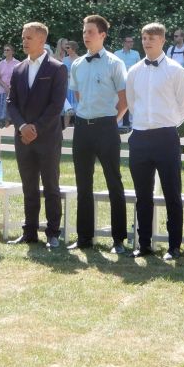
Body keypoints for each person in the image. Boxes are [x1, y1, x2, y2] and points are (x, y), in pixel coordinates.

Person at [126, 22, 184, 260]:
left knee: (171, 193)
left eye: (152, 38)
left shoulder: (176, 70)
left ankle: (174, 246)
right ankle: (144, 244)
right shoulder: (134, 71)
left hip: (166, 136)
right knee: (142, 194)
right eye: (144, 38)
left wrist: (167, 123)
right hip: (140, 136)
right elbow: (132, 103)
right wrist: (143, 123)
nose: (147, 42)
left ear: (163, 41)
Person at [68, 15, 128, 253]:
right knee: (83, 184)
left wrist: (110, 121)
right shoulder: (77, 64)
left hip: (106, 126)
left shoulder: (115, 63)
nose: (86, 35)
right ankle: (84, 238)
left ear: (102, 35)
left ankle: (118, 240)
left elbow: (124, 100)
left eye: (90, 31)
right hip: (83, 127)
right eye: (84, 31)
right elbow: (78, 96)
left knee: (114, 182)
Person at [6, 22, 68, 248]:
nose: (24, 41)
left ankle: (53, 233)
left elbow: (56, 105)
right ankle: (29, 231)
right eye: (23, 37)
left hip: (48, 137)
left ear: (42, 40)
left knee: (51, 185)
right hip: (23, 137)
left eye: (29, 37)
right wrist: (22, 127)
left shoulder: (57, 68)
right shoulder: (18, 69)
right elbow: (11, 102)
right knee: (28, 186)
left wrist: (36, 128)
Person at [0, 44, 20, 127]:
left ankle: (11, 129)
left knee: (11, 113)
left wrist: (11, 87)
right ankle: (3, 129)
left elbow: (20, 77)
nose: (6, 51)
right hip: (3, 91)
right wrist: (5, 86)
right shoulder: (1, 63)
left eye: (8, 50)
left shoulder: (17, 63)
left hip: (13, 91)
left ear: (12, 52)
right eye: (5, 50)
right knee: (3, 114)